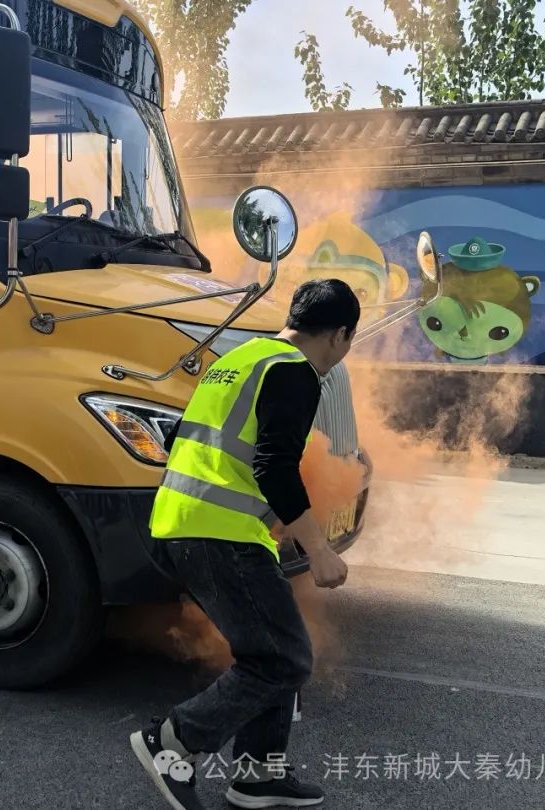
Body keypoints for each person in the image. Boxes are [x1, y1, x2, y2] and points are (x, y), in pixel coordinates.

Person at [130, 279, 360, 810]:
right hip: (219, 532)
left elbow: (186, 439)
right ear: (340, 335)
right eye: (348, 343)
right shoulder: (296, 373)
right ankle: (170, 742)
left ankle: (258, 773)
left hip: (184, 523)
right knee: (283, 660)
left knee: (273, 649)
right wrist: (319, 548)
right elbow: (274, 467)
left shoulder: (239, 358)